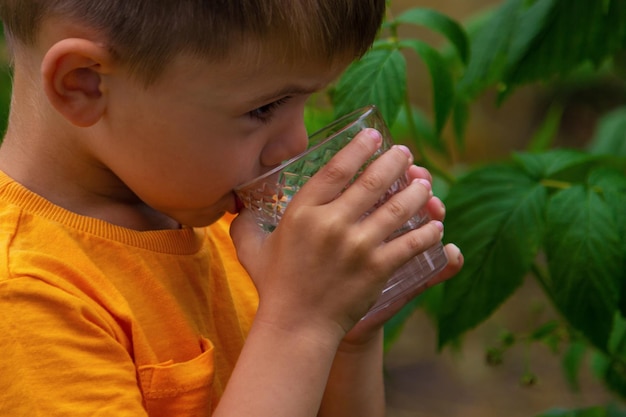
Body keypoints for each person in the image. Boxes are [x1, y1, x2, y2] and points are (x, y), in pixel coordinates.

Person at [0, 1, 463, 416]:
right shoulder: (26, 298)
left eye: (308, 100)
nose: (295, 144)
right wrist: (300, 324)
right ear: (84, 82)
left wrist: (347, 338)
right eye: (265, 107)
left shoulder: (222, 216)